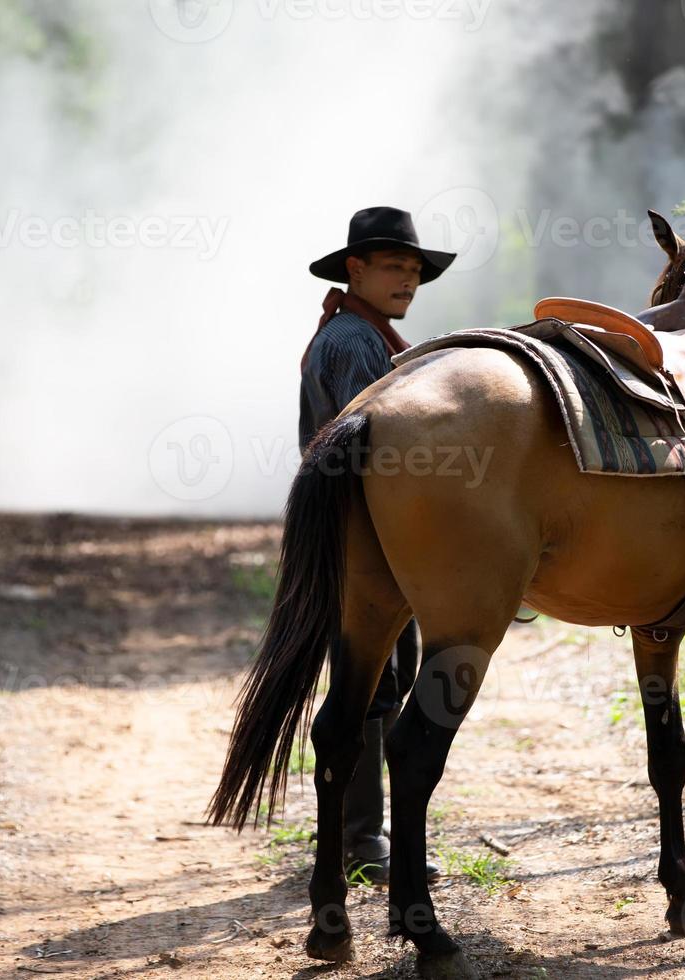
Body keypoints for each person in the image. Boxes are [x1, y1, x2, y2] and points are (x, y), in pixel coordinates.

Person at [299, 206, 455, 883]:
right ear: (355, 268)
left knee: (376, 683)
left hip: (366, 535)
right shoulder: (358, 343)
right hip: (366, 540)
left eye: (415, 271)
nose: (408, 281)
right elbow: (382, 453)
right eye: (395, 267)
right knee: (368, 687)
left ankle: (361, 832)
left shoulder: (360, 333)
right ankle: (362, 840)